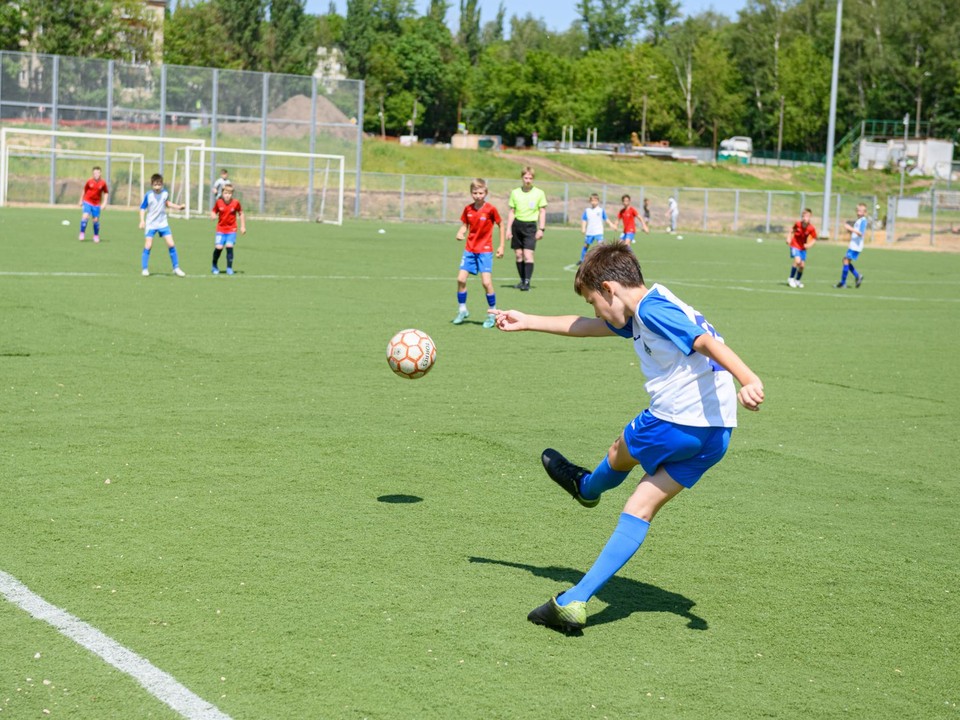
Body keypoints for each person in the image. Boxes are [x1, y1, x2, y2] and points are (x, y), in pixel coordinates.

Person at [490, 243, 764, 632]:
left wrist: (749, 378)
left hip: (676, 422)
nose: (595, 311)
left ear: (609, 289)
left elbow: (705, 342)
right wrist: (528, 320)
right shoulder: (647, 308)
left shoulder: (652, 310)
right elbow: (587, 326)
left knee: (620, 450)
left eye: (593, 301)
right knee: (639, 508)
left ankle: (586, 487)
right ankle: (572, 602)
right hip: (717, 434)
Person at [452, 178, 505, 327]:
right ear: (471, 193)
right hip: (469, 250)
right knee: (461, 280)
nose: (478, 196)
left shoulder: (491, 209)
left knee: (486, 283)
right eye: (475, 193)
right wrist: (460, 232)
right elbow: (465, 225)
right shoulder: (468, 209)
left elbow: (501, 225)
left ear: (486, 193)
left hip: (485, 251)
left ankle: (492, 314)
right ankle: (462, 310)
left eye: (481, 193)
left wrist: (501, 246)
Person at [506, 166, 547, 291]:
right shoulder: (515, 192)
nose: (528, 180)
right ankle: (522, 280)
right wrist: (508, 229)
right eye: (525, 177)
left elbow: (542, 211)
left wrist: (541, 229)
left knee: (528, 254)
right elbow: (512, 211)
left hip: (530, 227)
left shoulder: (539, 193)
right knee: (519, 255)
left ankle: (527, 282)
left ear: (533, 179)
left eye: (530, 178)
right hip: (517, 225)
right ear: (522, 178)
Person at [139, 173, 186, 277]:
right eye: (155, 185)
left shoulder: (165, 193)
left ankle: (176, 268)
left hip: (163, 223)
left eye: (159, 185)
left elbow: (167, 203)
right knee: (148, 245)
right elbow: (142, 208)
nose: (157, 187)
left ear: (162, 184)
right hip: (151, 224)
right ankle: (145, 269)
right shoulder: (149, 195)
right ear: (152, 185)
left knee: (171, 244)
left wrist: (178, 207)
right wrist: (142, 220)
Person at [210, 182, 245, 275]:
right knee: (219, 247)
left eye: (229, 193)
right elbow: (214, 211)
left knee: (229, 246)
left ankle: (229, 268)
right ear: (222, 193)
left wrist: (242, 226)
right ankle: (214, 265)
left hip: (231, 229)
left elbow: (241, 213)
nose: (227, 195)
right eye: (225, 193)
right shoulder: (219, 202)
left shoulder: (236, 203)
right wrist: (213, 215)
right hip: (221, 229)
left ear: (232, 194)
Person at [836, 203, 867, 288]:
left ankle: (843, 283)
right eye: (857, 210)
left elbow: (861, 233)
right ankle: (857, 276)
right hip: (853, 245)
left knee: (846, 260)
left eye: (860, 211)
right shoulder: (859, 220)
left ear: (865, 212)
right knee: (845, 260)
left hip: (856, 246)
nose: (858, 212)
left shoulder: (863, 220)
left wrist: (850, 228)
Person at [579, 193, 615, 264]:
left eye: (595, 200)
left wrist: (611, 224)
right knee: (586, 245)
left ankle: (602, 260)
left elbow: (606, 219)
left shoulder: (600, 210)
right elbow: (584, 220)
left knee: (601, 245)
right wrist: (583, 228)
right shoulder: (587, 210)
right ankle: (582, 260)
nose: (594, 202)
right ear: (590, 201)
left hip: (598, 231)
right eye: (592, 200)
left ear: (598, 201)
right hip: (590, 231)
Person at [786, 208, 817, 288]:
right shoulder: (798, 224)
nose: (804, 218)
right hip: (795, 245)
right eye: (803, 216)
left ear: (810, 217)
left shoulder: (811, 228)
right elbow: (792, 230)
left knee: (802, 266)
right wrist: (788, 238)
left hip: (802, 248)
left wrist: (809, 245)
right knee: (797, 260)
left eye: (807, 216)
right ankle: (791, 278)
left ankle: (797, 280)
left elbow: (814, 238)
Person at [78, 166, 109, 243]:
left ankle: (96, 235)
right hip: (87, 201)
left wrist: (104, 203)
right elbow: (84, 190)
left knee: (95, 220)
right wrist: (81, 200)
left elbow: (106, 192)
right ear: (93, 174)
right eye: (95, 173)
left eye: (98, 173)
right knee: (85, 216)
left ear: (100, 173)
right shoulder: (89, 181)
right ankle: (82, 233)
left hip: (96, 204)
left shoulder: (103, 183)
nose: (96, 174)